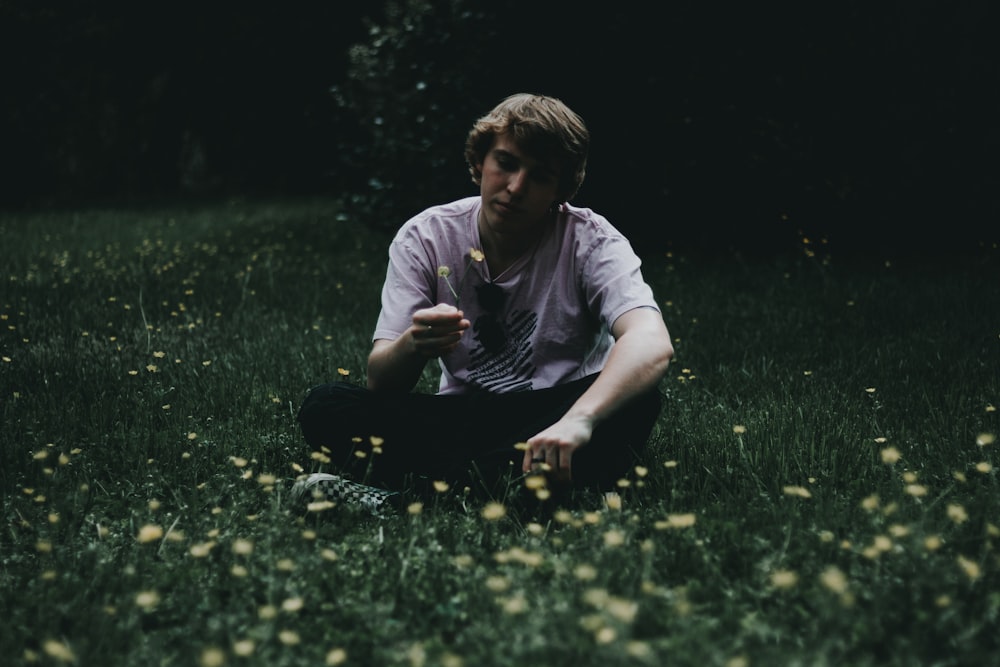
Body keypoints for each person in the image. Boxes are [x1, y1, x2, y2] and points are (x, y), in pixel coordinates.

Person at [293, 93, 673, 515]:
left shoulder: (591, 240)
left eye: (540, 176)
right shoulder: (426, 236)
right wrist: (413, 343)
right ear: (480, 163)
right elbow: (383, 382)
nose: (515, 188)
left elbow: (650, 341)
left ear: (559, 191)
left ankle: (402, 501)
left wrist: (579, 421)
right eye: (506, 164)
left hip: (552, 417)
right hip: (460, 417)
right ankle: (505, 487)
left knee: (637, 402)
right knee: (326, 405)